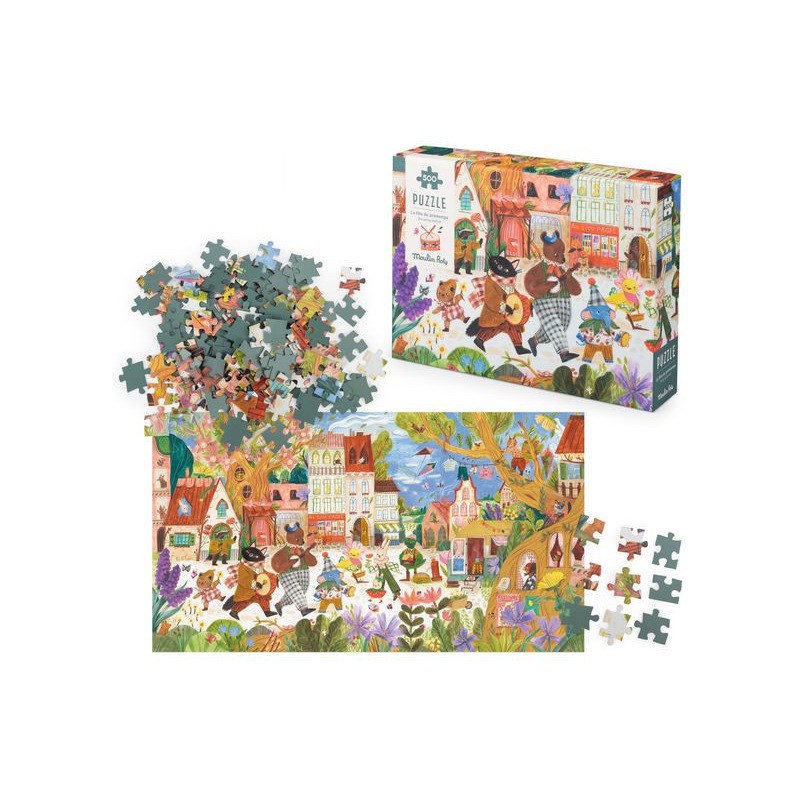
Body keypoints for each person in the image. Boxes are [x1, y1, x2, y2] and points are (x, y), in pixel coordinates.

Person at [222, 547, 277, 620]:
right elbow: (245, 580)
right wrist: (255, 584)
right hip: (247, 591)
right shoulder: (243, 568)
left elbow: (264, 573)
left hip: (257, 590)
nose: (261, 564)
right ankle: (234, 611)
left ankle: (267, 611)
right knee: (245, 601)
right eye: (259, 563)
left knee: (264, 598)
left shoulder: (257, 566)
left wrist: (272, 577)